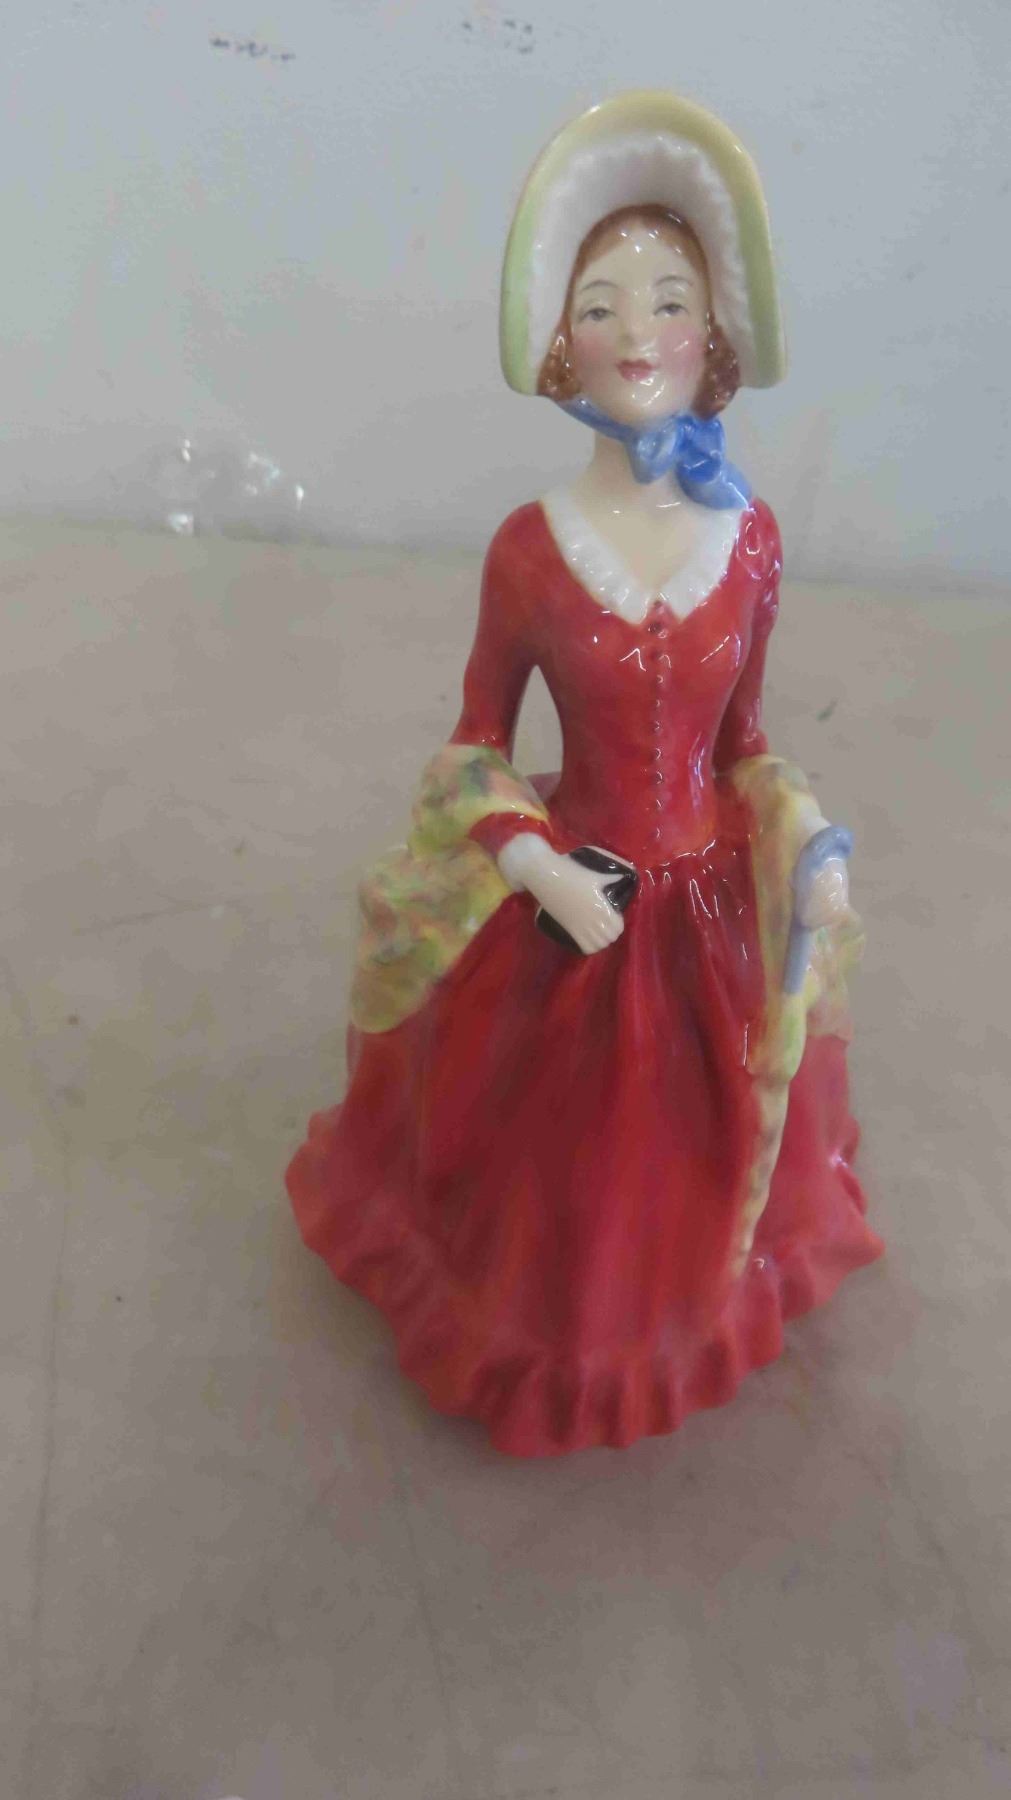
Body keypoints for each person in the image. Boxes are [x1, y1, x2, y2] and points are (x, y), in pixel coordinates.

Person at [285, 92, 884, 1456]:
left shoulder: (751, 540)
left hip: (707, 919)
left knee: (691, 1153)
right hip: (577, 900)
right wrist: (535, 862)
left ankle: (683, 1306)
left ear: (713, 332)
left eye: (670, 301)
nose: (637, 333)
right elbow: (475, 743)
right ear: (563, 334)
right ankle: (567, 1343)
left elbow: (743, 741)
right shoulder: (529, 549)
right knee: (564, 1184)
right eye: (602, 304)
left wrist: (806, 844)